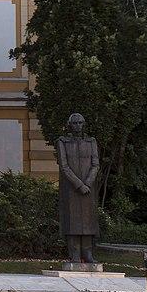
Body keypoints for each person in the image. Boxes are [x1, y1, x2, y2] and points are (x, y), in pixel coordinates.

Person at [56, 113, 100, 264]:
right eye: (75, 123)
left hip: (88, 188)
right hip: (72, 188)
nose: (78, 126)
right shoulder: (63, 142)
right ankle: (74, 254)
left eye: (80, 123)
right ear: (70, 125)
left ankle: (87, 253)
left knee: (87, 222)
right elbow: (64, 166)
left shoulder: (91, 142)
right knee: (73, 221)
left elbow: (95, 164)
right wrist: (79, 184)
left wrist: (87, 183)